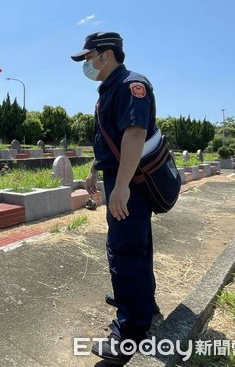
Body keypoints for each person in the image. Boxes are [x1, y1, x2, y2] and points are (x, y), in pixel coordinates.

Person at [71, 32, 161, 364]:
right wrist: (96, 170)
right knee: (137, 244)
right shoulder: (109, 89)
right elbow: (112, 138)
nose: (87, 64)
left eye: (89, 57)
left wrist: (121, 186)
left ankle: (130, 332)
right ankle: (141, 302)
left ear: (107, 54)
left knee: (125, 249)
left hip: (131, 182)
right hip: (119, 176)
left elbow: (135, 134)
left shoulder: (130, 85)